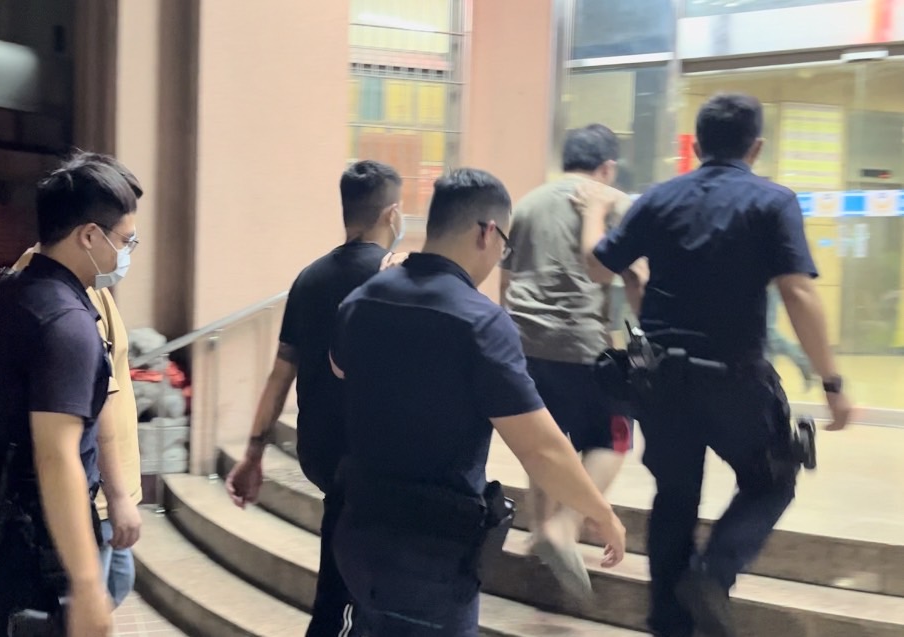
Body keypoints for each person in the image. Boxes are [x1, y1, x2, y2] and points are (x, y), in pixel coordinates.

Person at [586, 93, 854, 637]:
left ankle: (669, 624)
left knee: (675, 497)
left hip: (660, 382)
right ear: (756, 146)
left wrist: (594, 214)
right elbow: (798, 292)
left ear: (697, 145)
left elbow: (598, 267)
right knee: (771, 480)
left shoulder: (659, 198)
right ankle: (712, 575)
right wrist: (832, 382)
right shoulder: (772, 201)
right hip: (735, 380)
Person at [329, 168, 627, 636]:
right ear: (487, 232)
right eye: (504, 243)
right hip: (430, 551)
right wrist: (602, 513)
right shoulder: (480, 322)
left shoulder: (363, 298)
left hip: (358, 532)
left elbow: (339, 368)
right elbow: (541, 449)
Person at [0, 151, 143, 637]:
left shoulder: (11, 293)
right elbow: (57, 457)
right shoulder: (67, 325)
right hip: (40, 545)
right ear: (89, 236)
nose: (127, 254)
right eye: (125, 240)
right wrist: (86, 583)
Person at [225, 159, 407, 637]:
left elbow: (280, 373)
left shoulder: (309, 278)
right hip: (375, 462)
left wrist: (253, 454)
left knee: (342, 580)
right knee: (344, 603)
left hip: (324, 455)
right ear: (392, 214)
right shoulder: (397, 280)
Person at [500, 124, 647, 599]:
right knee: (614, 437)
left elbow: (506, 280)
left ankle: (539, 528)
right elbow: (636, 275)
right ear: (607, 167)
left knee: (546, 437)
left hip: (523, 343)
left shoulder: (526, 204)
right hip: (582, 345)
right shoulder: (614, 203)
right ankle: (565, 524)